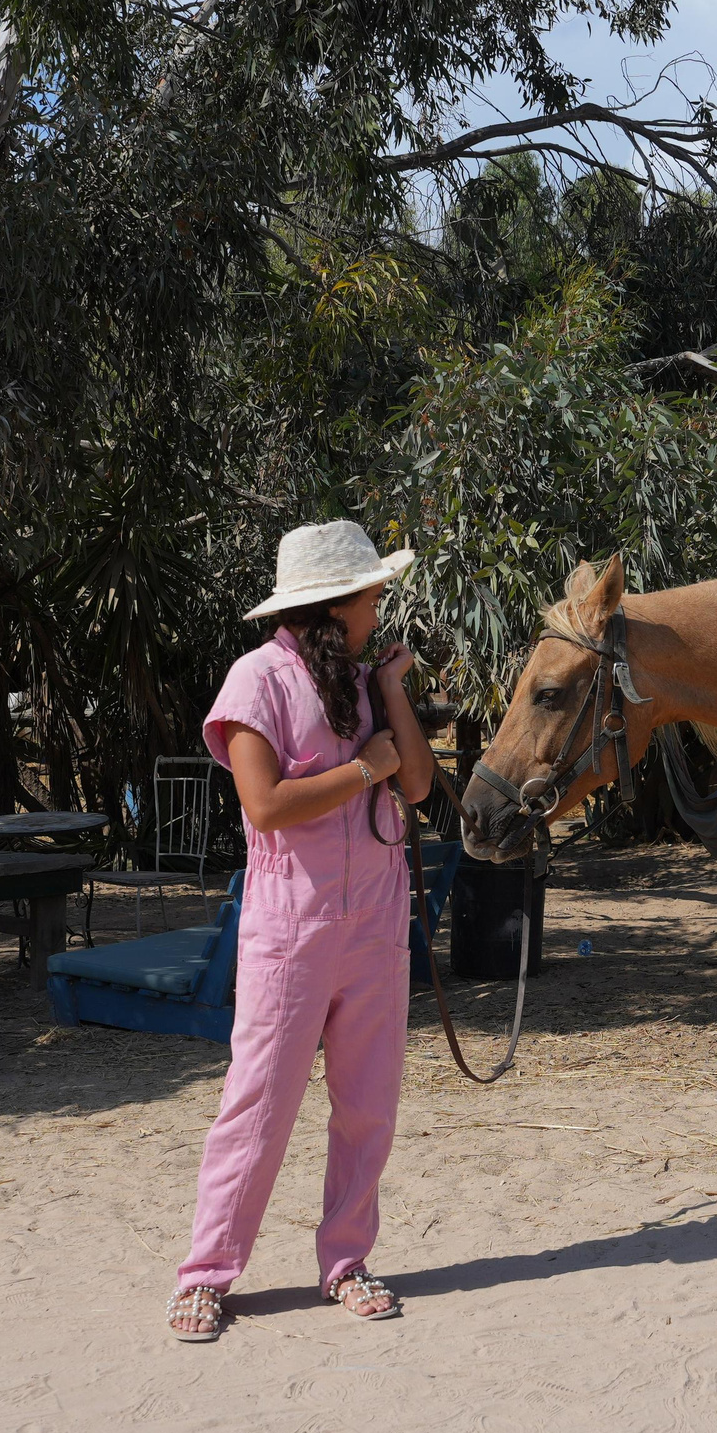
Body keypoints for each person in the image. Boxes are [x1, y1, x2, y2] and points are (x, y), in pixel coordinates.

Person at [169, 520, 436, 1342]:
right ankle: (206, 1274)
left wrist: (392, 690)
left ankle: (346, 1262)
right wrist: (363, 769)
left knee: (368, 1105)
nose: (380, 607)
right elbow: (265, 805)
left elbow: (419, 785)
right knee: (258, 1103)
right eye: (371, 595)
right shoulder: (257, 680)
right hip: (290, 928)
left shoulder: (364, 683)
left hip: (375, 921)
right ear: (335, 604)